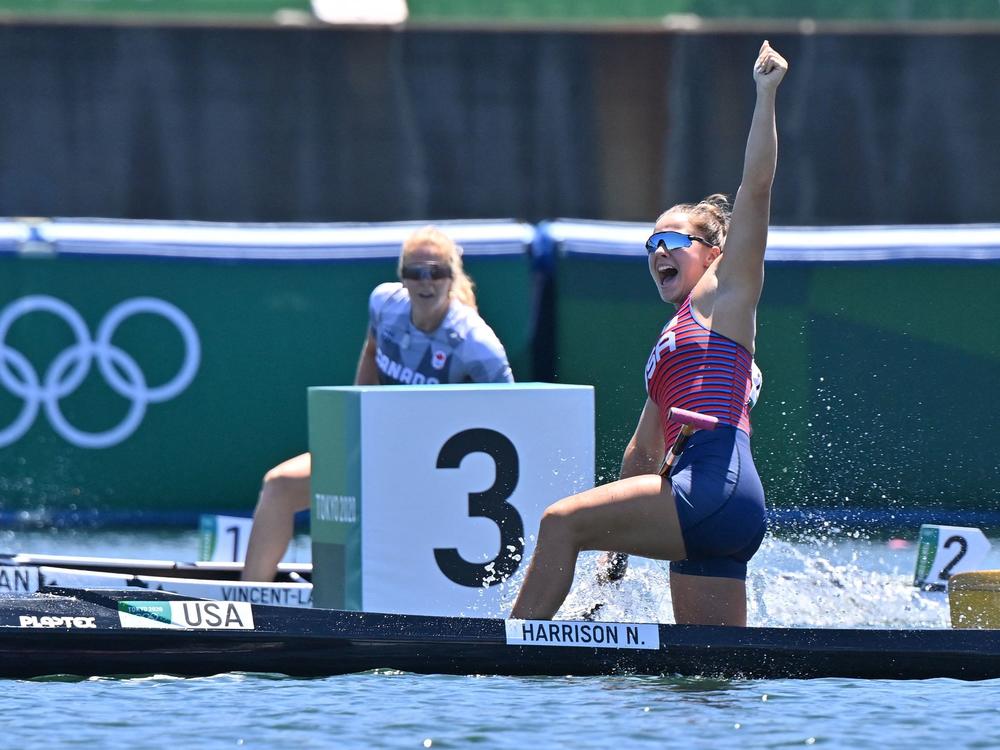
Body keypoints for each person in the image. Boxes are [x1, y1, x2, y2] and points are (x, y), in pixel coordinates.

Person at [510, 40, 787, 626]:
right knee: (704, 687)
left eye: (673, 242)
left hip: (712, 486)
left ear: (713, 254)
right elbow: (643, 453)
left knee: (560, 522)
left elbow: (756, 191)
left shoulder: (727, 294)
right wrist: (613, 559)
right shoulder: (672, 346)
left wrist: (764, 97)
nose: (658, 252)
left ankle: (506, 648)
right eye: (650, 245)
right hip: (718, 507)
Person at [242, 225, 514, 582]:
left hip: (437, 470)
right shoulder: (385, 304)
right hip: (380, 450)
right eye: (415, 272)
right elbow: (371, 351)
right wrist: (356, 424)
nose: (426, 282)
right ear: (402, 277)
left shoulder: (475, 343)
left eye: (436, 272)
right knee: (279, 485)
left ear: (452, 277)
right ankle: (249, 601)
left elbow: (511, 413)